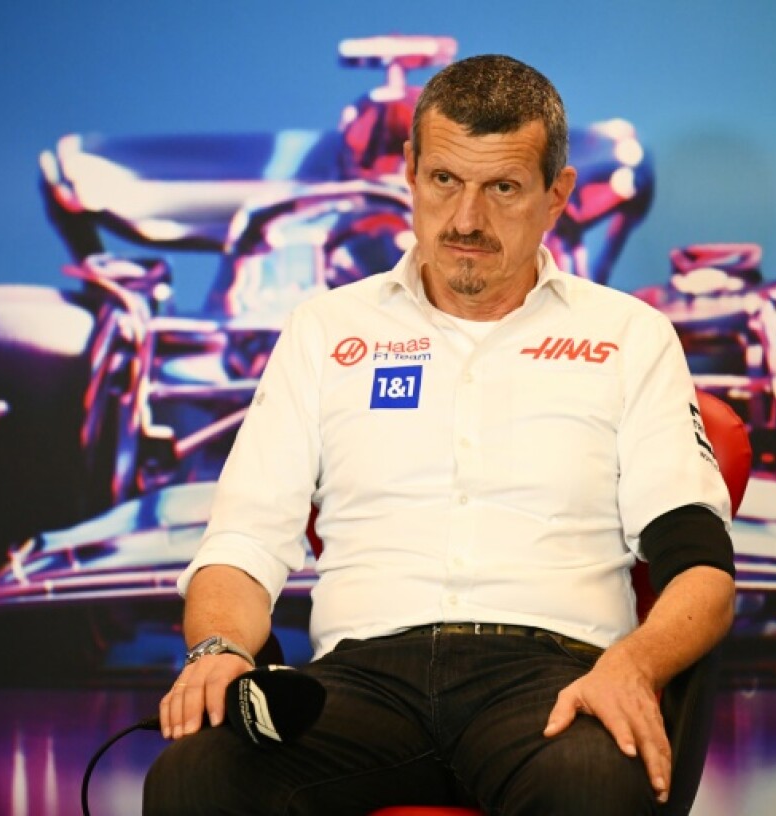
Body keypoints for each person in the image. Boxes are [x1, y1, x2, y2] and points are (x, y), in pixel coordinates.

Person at [144, 53, 735, 815]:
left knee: (594, 788)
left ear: (558, 195)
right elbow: (243, 544)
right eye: (444, 180)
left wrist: (634, 666)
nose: (465, 221)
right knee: (194, 779)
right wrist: (220, 649)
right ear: (409, 174)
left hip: (552, 679)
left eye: (503, 188)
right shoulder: (326, 330)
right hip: (358, 682)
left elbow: (701, 570)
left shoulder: (629, 336)